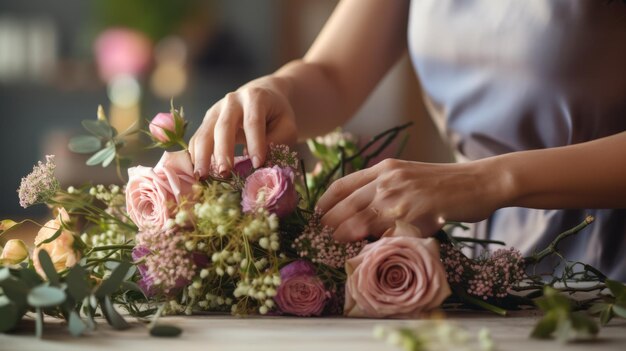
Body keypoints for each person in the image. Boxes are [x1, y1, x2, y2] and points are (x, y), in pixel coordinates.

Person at [189, 0, 626, 280]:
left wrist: (485, 182)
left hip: (610, 256)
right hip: (485, 262)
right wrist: (276, 89)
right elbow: (334, 75)